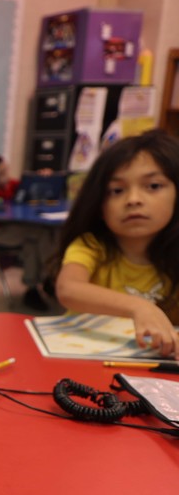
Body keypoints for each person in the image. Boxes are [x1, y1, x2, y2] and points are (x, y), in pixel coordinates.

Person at [53, 129, 179, 358]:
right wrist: (139, 306)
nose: (133, 200)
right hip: (83, 355)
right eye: (117, 191)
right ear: (99, 204)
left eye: (153, 186)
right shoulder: (91, 245)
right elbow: (68, 289)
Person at [0, 153, 59, 311]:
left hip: (24, 231)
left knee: (35, 242)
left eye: (5, 170)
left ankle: (33, 288)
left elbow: (37, 194)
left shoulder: (14, 186)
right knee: (39, 233)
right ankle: (50, 278)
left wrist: (44, 179)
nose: (5, 176)